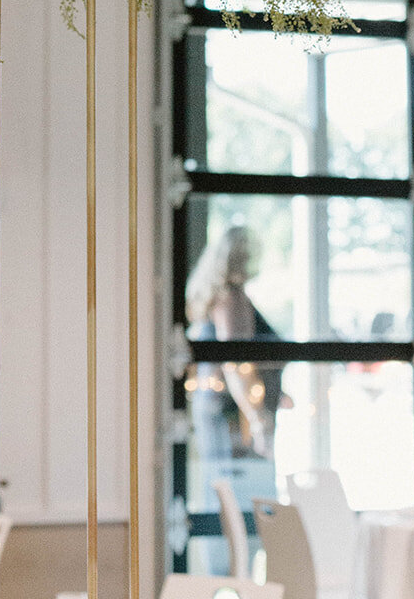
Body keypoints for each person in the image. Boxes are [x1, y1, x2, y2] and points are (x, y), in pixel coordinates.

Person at [185, 224, 285, 573]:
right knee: (240, 511)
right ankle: (234, 581)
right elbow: (236, 363)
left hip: (222, 416)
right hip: (235, 423)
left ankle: (230, 580)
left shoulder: (216, 296)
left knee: (226, 503)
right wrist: (258, 419)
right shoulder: (231, 298)